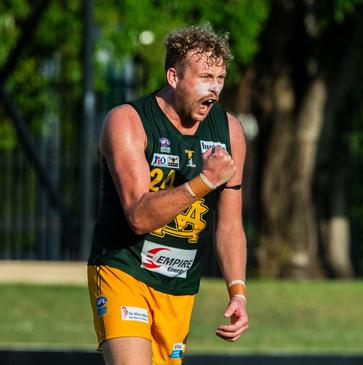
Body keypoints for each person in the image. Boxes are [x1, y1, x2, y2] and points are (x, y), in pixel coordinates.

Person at [86, 25, 249, 365]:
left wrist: (238, 292)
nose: (215, 88)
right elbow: (138, 216)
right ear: (173, 77)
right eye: (205, 77)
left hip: (179, 286)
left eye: (220, 78)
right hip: (124, 268)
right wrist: (205, 181)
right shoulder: (127, 121)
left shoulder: (229, 131)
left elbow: (231, 225)